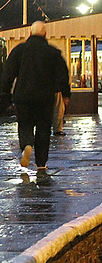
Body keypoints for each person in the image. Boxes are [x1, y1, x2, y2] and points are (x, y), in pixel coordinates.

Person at [0, 21, 70, 171]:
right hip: (45, 98)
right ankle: (41, 164)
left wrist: (5, 92)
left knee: (25, 124)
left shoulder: (20, 50)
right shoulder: (52, 52)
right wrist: (65, 94)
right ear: (45, 34)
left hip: (23, 97)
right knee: (44, 129)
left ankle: (26, 145)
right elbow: (63, 75)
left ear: (30, 33)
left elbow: (8, 74)